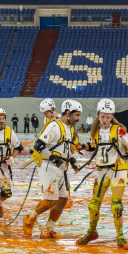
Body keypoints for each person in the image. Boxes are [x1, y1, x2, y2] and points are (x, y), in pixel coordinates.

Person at [77, 99, 128, 248]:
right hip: (102, 171)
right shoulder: (96, 131)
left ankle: (121, 238)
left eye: (108, 117)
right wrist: (81, 146)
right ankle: (92, 232)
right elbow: (93, 145)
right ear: (98, 115)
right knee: (93, 205)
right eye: (103, 117)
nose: (105, 120)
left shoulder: (119, 130)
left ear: (112, 117)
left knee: (116, 205)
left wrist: (126, 156)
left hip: (118, 171)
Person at [23, 99, 82, 239]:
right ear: (68, 113)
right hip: (49, 166)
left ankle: (47, 230)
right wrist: (55, 159)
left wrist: (72, 160)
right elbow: (39, 145)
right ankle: (29, 219)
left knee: (63, 199)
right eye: (77, 115)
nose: (78, 118)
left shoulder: (71, 129)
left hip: (62, 167)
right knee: (51, 199)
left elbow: (65, 149)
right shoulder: (54, 126)